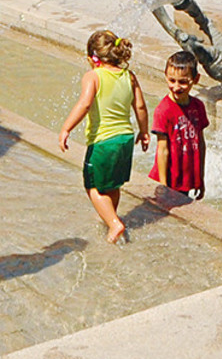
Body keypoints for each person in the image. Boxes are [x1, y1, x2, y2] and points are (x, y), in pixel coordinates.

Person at [59, 28, 149, 243]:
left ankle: (114, 223)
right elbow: (141, 106)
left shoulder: (93, 76)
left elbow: (85, 103)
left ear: (93, 58)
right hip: (125, 139)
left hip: (103, 141)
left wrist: (66, 128)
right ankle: (110, 215)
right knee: (112, 184)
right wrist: (144, 131)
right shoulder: (129, 76)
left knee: (92, 186)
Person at [149, 50, 208, 199]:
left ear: (196, 79)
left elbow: (200, 143)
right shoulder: (164, 110)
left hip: (187, 176)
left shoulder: (198, 106)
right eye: (171, 80)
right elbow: (162, 149)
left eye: (182, 82)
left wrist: (200, 177)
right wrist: (163, 185)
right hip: (169, 177)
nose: (176, 87)